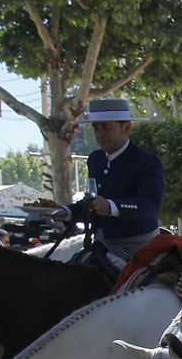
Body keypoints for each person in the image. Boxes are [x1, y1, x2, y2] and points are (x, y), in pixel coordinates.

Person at [26, 97, 166, 261]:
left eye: (106, 127)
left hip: (138, 247)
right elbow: (91, 202)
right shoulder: (95, 159)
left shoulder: (146, 161)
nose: (99, 134)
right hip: (100, 244)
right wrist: (64, 212)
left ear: (126, 127)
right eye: (96, 128)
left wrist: (110, 206)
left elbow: (150, 204)